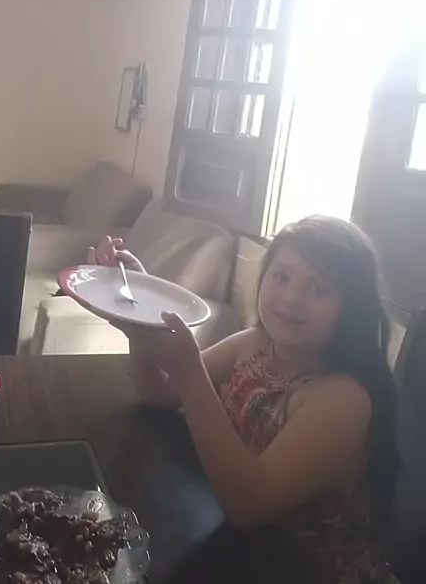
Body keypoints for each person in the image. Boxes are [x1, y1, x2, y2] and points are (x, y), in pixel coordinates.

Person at [90, 217, 400, 583]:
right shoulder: (254, 343)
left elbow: (249, 507)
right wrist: (139, 310)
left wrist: (191, 375)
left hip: (301, 568)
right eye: (281, 276)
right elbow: (157, 393)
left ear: (353, 307)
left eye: (318, 288)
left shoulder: (343, 399)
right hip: (230, 536)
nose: (291, 298)